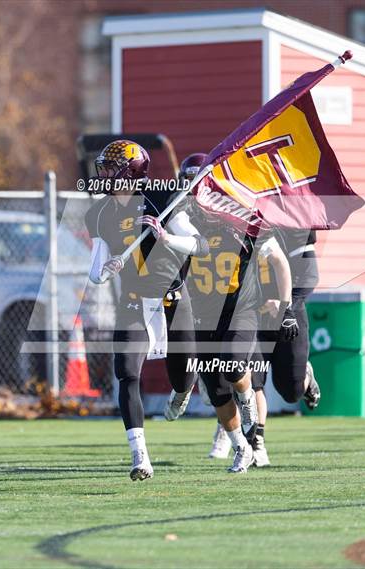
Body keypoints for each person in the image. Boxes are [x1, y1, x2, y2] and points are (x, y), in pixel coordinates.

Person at [85, 139, 209, 481]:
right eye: (104, 168)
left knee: (182, 377)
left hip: (171, 300)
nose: (104, 175)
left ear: (132, 172)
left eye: (111, 169)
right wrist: (105, 269)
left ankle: (184, 390)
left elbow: (198, 244)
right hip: (133, 302)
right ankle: (140, 456)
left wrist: (166, 238)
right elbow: (95, 273)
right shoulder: (99, 212)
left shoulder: (162, 198)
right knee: (127, 372)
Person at [208, 228, 321, 466]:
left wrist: (285, 305)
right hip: (249, 313)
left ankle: (305, 376)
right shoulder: (235, 225)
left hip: (286, 314)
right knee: (251, 377)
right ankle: (256, 442)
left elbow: (309, 275)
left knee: (291, 392)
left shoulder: (294, 225)